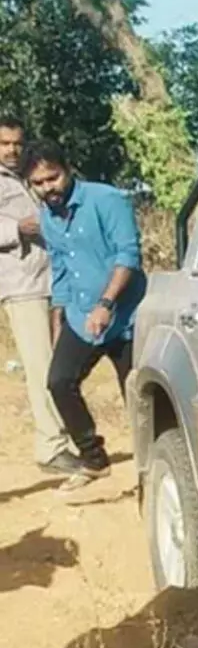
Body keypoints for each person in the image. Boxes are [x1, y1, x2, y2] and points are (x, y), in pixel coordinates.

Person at [22, 137, 146, 492]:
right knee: (58, 382)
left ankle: (152, 473)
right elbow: (59, 268)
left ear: (68, 169)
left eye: (53, 178)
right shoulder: (47, 218)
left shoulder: (107, 200)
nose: (48, 188)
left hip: (125, 317)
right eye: (39, 183)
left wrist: (106, 304)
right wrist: (59, 320)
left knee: (137, 397)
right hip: (81, 317)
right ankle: (93, 459)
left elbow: (128, 256)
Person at [0, 117, 81, 478]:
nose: (12, 150)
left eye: (17, 143)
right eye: (4, 143)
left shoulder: (30, 174)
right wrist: (16, 228)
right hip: (21, 284)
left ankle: (67, 438)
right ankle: (51, 447)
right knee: (41, 367)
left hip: (54, 280)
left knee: (61, 364)